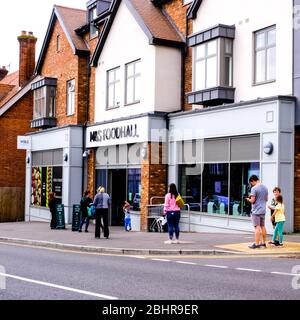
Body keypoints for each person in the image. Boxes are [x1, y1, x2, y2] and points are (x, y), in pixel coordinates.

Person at [246, 175, 269, 249]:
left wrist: (248, 199)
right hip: (263, 210)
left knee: (257, 227)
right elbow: (266, 199)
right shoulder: (265, 187)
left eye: (251, 183)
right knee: (263, 226)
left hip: (256, 211)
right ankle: (263, 243)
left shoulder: (254, 188)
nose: (251, 184)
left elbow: (253, 201)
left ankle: (256, 244)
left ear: (253, 181)